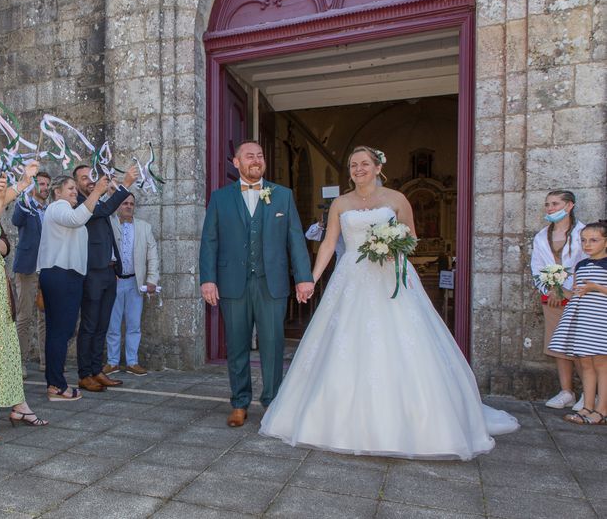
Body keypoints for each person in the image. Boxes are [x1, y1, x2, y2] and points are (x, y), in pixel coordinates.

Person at [260, 145, 519, 460]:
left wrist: (391, 245)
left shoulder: (397, 199)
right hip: (351, 278)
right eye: (353, 164)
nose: (358, 169)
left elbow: (411, 238)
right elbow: (329, 243)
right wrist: (311, 279)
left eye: (364, 163)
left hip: (391, 277)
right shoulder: (341, 203)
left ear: (377, 167)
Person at [199, 140, 314, 428]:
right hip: (232, 284)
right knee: (236, 345)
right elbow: (209, 241)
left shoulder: (282, 195)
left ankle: (272, 402)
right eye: (249, 156)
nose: (256, 160)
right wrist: (208, 280)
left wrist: (303, 278)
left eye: (260, 155)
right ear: (236, 163)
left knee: (273, 346)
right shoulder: (220, 198)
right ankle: (239, 402)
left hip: (271, 284)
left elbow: (295, 239)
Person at [0, 161, 48, 427]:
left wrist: (1, 245)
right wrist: (23, 183)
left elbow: (4, 242)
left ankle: (18, 403)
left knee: (5, 345)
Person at [38, 175, 109, 400]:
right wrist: (96, 192)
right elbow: (77, 219)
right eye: (69, 188)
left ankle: (54, 382)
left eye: (74, 189)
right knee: (61, 332)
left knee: (60, 332)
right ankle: (57, 385)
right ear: (56, 192)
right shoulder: (58, 207)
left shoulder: (67, 209)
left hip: (66, 276)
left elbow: (81, 216)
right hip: (61, 275)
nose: (74, 192)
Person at [73, 165, 138, 392]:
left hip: (110, 271)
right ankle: (84, 374)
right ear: (76, 183)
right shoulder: (80, 203)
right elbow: (105, 210)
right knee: (89, 325)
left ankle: (96, 370)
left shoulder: (98, 201)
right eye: (84, 178)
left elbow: (107, 208)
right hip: (92, 272)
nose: (90, 180)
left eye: (92, 176)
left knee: (102, 325)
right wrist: (125, 184)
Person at [530, 190, 586, 410]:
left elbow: (586, 265)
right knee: (558, 344)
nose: (550, 208)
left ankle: (589, 394)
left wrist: (569, 290)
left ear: (569, 205)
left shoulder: (583, 233)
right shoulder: (541, 236)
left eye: (555, 204)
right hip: (552, 298)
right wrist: (551, 288)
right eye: (547, 204)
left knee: (580, 346)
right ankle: (566, 391)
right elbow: (536, 266)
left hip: (579, 298)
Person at [549, 221, 607, 425]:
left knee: (601, 364)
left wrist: (595, 287)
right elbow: (576, 290)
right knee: (585, 362)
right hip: (584, 320)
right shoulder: (581, 264)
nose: (587, 245)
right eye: (583, 240)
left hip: (600, 321)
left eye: (594, 240)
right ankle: (587, 406)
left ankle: (602, 410)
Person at [104, 194, 159, 376]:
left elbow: (152, 255)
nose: (128, 206)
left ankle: (132, 362)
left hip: (135, 283)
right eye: (125, 203)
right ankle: (112, 362)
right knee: (113, 324)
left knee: (134, 324)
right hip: (114, 282)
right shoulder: (109, 224)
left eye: (131, 204)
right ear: (118, 205)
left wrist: (152, 279)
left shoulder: (144, 227)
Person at [11, 170, 51, 374]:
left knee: (45, 317)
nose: (44, 188)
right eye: (41, 184)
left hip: (47, 269)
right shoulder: (24, 204)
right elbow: (16, 221)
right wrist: (24, 195)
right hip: (27, 268)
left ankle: (47, 362)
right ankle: (19, 363)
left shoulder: (51, 209)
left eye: (47, 184)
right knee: (25, 316)